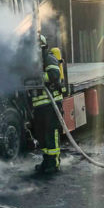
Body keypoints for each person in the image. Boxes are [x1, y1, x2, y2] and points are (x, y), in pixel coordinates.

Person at [33, 34, 64, 174]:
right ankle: (47, 161)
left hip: (51, 105)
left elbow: (54, 75)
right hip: (40, 107)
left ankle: (54, 163)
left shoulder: (48, 57)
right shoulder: (32, 61)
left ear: (41, 47)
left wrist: (37, 78)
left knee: (52, 134)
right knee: (41, 135)